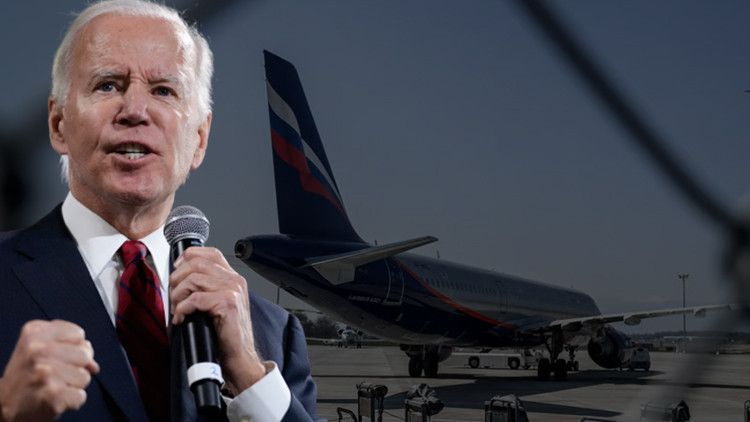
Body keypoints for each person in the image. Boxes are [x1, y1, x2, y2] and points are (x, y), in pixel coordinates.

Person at [0, 0, 320, 421]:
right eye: (108, 85)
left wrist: (250, 378)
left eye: (163, 90)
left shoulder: (272, 333)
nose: (135, 111)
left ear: (199, 139)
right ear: (58, 124)